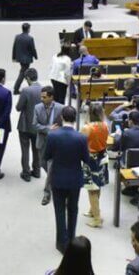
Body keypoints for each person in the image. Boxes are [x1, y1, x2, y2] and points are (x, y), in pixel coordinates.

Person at [44, 106, 97, 253]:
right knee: (73, 210)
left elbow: (46, 156)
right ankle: (72, 239)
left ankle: (61, 243)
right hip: (74, 179)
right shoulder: (81, 137)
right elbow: (86, 159)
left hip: (58, 178)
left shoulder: (53, 135)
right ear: (75, 119)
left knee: (59, 210)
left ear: (61, 117)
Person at [81, 103, 109, 228]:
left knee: (92, 189)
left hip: (91, 159)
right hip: (102, 157)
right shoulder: (105, 126)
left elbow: (80, 143)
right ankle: (93, 210)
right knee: (98, 185)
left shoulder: (87, 128)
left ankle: (97, 218)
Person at [35, 86, 64, 206]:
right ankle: (54, 179)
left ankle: (47, 193)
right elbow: (34, 125)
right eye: (41, 96)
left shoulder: (61, 108)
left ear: (51, 97)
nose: (41, 99)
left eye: (44, 97)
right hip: (42, 141)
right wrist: (48, 129)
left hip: (55, 143)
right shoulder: (37, 107)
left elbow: (64, 125)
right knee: (43, 164)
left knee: (51, 167)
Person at [16, 68, 42, 181]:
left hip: (25, 125)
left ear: (27, 78)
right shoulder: (44, 89)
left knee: (25, 150)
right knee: (37, 150)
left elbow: (18, 108)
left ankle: (26, 173)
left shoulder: (26, 90)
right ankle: (37, 171)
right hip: (38, 126)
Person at [11, 23, 38, 94]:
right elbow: (33, 49)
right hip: (27, 59)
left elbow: (14, 47)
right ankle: (16, 88)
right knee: (23, 73)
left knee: (25, 73)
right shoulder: (30, 38)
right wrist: (35, 56)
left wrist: (14, 57)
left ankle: (30, 86)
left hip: (20, 58)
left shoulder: (17, 37)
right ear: (28, 29)